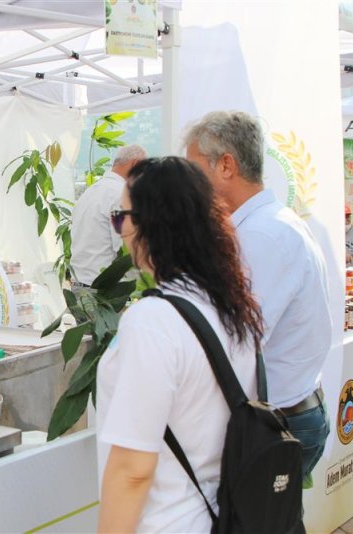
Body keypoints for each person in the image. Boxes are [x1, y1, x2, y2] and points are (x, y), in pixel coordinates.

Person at [96, 157, 263, 532]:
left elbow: (132, 470)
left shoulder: (153, 320)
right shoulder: (230, 306)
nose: (120, 229)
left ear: (149, 225)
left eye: (121, 216)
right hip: (226, 516)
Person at [185, 110, 332, 485]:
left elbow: (237, 341)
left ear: (227, 166)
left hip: (281, 419)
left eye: (195, 170)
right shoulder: (269, 224)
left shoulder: (262, 237)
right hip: (289, 412)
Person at [70, 144, 147, 287]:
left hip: (79, 284)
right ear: (135, 164)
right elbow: (125, 246)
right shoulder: (121, 195)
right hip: (104, 289)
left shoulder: (90, 192)